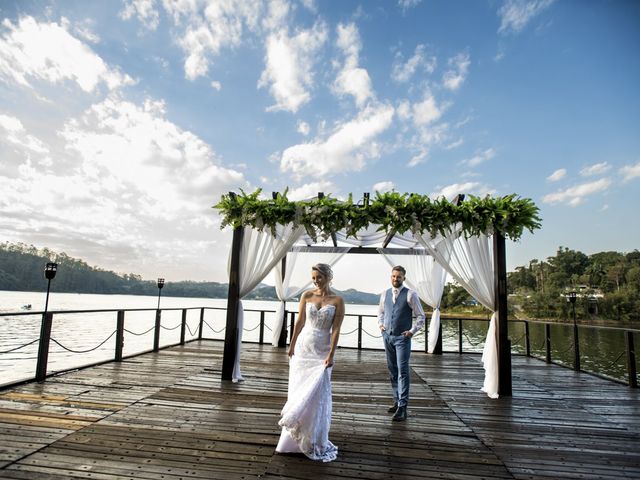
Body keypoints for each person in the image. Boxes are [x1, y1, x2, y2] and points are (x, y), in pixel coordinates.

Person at [275, 263, 345, 462]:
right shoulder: (306, 295)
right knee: (298, 390)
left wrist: (331, 354)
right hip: (303, 349)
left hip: (322, 351)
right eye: (313, 277)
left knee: (317, 394)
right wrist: (292, 344)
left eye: (319, 277)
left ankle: (313, 439)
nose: (316, 281)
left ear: (328, 277)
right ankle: (291, 441)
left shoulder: (338, 300)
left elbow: (336, 330)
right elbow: (299, 322)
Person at [377, 265, 426, 422]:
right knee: (392, 370)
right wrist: (381, 325)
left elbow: (421, 316)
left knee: (403, 372)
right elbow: (381, 312)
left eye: (398, 276)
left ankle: (403, 407)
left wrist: (412, 331)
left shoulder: (411, 294)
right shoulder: (384, 294)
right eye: (393, 276)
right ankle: (397, 401)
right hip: (387, 337)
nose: (395, 279)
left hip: (402, 338)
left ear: (404, 278)